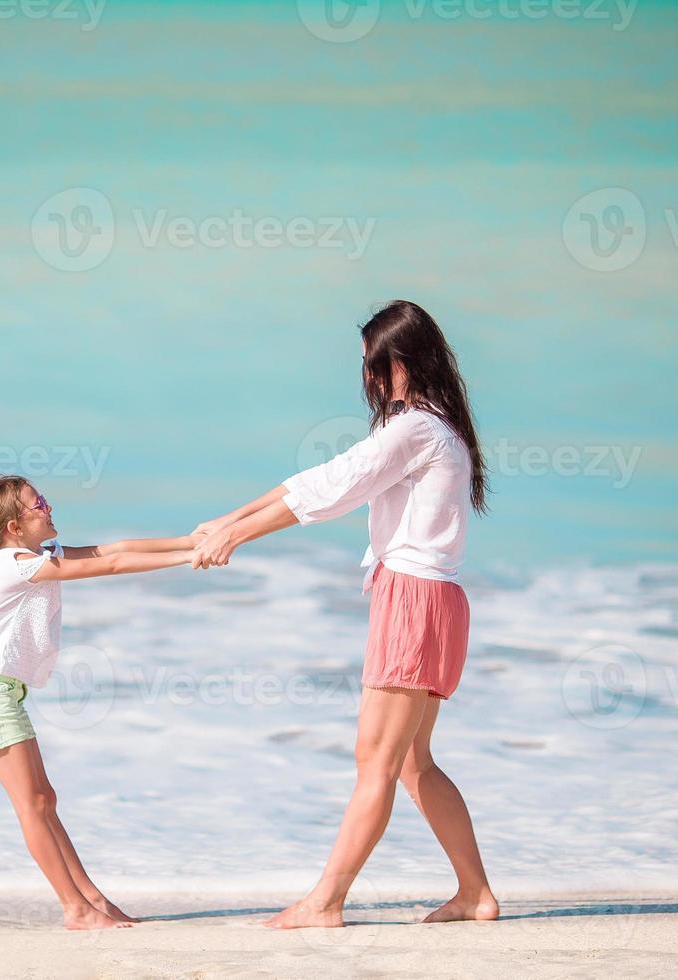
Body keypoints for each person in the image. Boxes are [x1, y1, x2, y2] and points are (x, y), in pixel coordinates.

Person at [191, 300, 499, 928]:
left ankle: (325, 901)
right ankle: (475, 894)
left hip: (413, 600)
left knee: (377, 761)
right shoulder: (435, 426)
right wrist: (229, 520)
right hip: (434, 600)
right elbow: (327, 476)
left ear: (401, 363)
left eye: (372, 365)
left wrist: (238, 536)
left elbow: (330, 493)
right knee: (413, 762)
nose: (366, 379)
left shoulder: (415, 430)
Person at [0, 474, 198, 930]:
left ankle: (92, 899)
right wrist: (191, 557)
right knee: (32, 805)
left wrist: (189, 540)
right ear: (14, 526)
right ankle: (75, 908)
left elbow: (112, 549)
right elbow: (111, 567)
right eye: (38, 503)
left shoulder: (29, 557)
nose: (48, 507)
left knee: (44, 799)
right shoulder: (14, 565)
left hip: (1, 695)